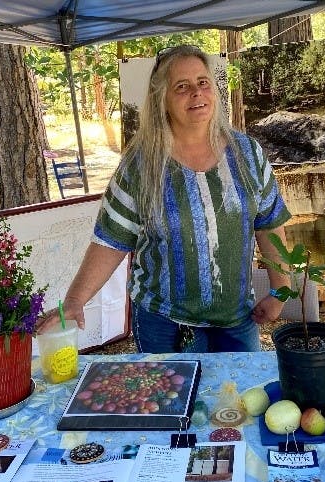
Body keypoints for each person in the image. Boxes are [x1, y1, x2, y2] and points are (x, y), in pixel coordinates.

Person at [37, 45, 291, 353]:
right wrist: (75, 302)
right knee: (170, 402)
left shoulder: (247, 154)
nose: (197, 93)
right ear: (163, 101)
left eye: (203, 82)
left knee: (237, 402)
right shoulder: (141, 164)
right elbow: (111, 239)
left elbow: (269, 225)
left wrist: (281, 291)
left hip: (237, 322)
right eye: (182, 87)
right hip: (165, 326)